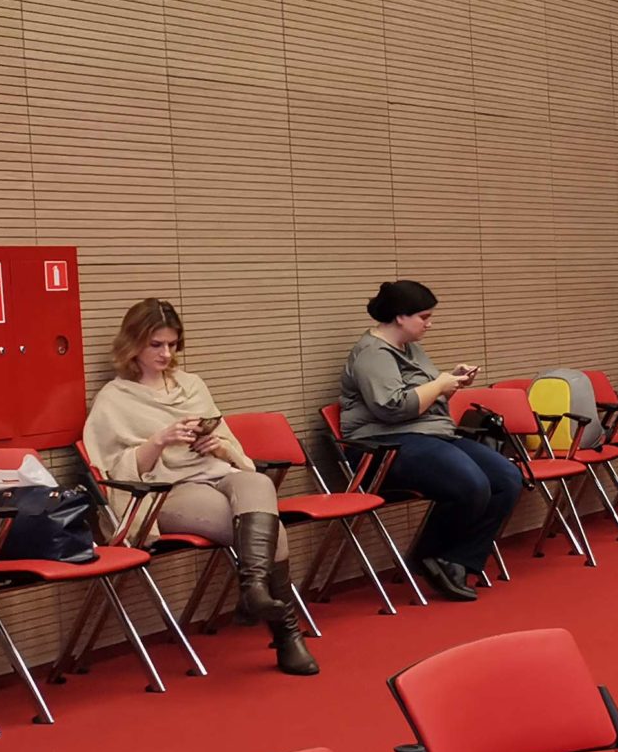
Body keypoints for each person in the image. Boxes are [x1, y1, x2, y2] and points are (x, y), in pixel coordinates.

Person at [83, 300, 315, 675]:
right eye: (156, 344)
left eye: (172, 344)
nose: (166, 353)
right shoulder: (114, 398)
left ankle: (254, 590)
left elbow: (229, 444)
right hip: (169, 488)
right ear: (133, 343)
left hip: (214, 469)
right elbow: (113, 470)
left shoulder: (191, 385)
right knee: (275, 534)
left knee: (257, 481)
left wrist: (218, 445)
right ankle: (286, 634)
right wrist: (160, 440)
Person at [338, 280, 523, 603]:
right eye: (423, 317)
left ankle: (457, 560)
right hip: (384, 445)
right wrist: (439, 385)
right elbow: (393, 408)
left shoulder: (411, 348)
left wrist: (451, 381)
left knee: (507, 478)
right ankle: (430, 556)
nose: (429, 324)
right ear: (400, 317)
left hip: (431, 434)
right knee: (471, 483)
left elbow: (424, 395)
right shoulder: (372, 354)